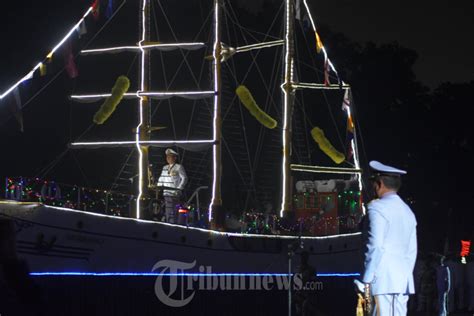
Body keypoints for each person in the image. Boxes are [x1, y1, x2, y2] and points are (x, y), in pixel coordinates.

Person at [356, 160, 417, 316]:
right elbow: (411, 252)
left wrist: (366, 281)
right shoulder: (408, 212)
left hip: (381, 281)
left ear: (379, 183)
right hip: (402, 282)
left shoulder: (377, 208)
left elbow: (375, 246)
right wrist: (402, 275)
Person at [157, 148, 187, 224]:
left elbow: (184, 178)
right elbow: (162, 178)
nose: (168, 158)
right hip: (166, 192)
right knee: (168, 210)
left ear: (175, 157)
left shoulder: (179, 167)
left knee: (173, 210)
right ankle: (169, 223)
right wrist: (158, 186)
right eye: (167, 156)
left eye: (170, 156)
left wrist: (179, 189)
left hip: (174, 193)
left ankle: (173, 224)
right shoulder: (165, 167)